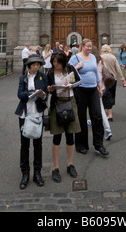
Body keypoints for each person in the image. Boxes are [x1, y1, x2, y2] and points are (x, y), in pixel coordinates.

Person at [69, 38, 109, 157]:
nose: (89, 48)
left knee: (96, 116)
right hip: (80, 90)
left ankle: (99, 145)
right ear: (82, 46)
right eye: (87, 46)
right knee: (81, 117)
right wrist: (77, 67)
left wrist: (99, 87)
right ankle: (81, 145)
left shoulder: (92, 57)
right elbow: (69, 74)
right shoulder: (74, 58)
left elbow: (96, 72)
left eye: (90, 46)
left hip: (93, 90)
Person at [47, 51, 81, 182]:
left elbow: (79, 81)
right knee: (57, 136)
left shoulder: (71, 69)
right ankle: (55, 167)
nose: (56, 65)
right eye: (54, 62)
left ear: (63, 62)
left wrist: (71, 85)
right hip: (57, 104)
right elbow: (46, 88)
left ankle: (70, 164)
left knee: (70, 135)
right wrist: (49, 89)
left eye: (58, 62)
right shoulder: (50, 73)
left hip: (70, 103)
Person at [15, 54, 48, 190]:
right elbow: (19, 94)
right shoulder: (23, 78)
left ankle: (37, 173)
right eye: (34, 65)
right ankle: (25, 173)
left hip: (37, 113)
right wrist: (30, 93)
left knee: (38, 144)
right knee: (24, 145)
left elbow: (45, 94)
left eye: (38, 65)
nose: (36, 67)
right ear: (29, 66)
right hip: (25, 114)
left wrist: (42, 95)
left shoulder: (42, 77)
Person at [91, 46, 112, 140]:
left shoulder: (91, 61)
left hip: (94, 87)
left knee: (100, 109)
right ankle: (92, 121)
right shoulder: (101, 60)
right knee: (94, 106)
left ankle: (108, 129)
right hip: (101, 87)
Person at [101, 44, 125, 121]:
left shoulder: (101, 57)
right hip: (113, 79)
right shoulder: (113, 57)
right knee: (111, 94)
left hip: (104, 79)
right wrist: (122, 78)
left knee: (105, 95)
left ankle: (109, 114)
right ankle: (109, 110)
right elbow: (118, 68)